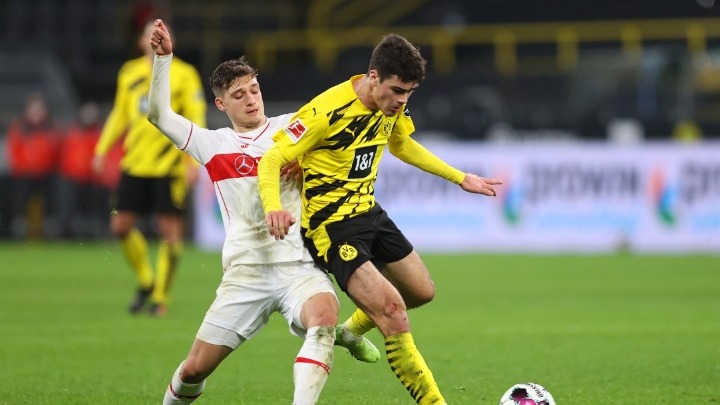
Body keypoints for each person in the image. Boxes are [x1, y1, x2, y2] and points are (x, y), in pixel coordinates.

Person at [258, 33, 502, 405]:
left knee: (421, 291)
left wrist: (459, 177)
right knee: (392, 311)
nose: (403, 101)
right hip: (332, 227)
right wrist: (273, 206)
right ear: (374, 77)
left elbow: (401, 144)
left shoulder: (391, 106)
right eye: (398, 91)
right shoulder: (326, 111)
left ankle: (350, 333)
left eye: (410, 93)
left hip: (369, 213)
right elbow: (273, 158)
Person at [145, 19, 380, 404]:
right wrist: (163, 59)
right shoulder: (212, 144)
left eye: (254, 89)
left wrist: (307, 164)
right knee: (193, 370)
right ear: (221, 104)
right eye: (238, 95)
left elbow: (340, 152)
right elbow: (158, 115)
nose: (251, 99)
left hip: (299, 266)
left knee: (324, 318)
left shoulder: (293, 129)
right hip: (245, 272)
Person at [93, 18, 207, 316]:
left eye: (160, 34)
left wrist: (194, 161)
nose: (153, 39)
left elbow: (195, 117)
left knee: (169, 233)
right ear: (141, 41)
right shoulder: (129, 72)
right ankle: (146, 279)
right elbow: (120, 113)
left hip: (169, 167)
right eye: (149, 35)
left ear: (170, 40)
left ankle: (160, 298)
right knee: (120, 226)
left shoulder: (184, 74)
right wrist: (102, 149)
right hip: (135, 163)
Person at [6, 92, 61, 239]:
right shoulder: (20, 129)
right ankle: (21, 229)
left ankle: (47, 229)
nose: (36, 114)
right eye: (33, 110)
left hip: (46, 173)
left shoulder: (51, 129)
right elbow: (14, 151)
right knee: (22, 201)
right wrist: (23, 167)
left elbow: (56, 152)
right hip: (24, 174)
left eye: (39, 110)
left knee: (48, 202)